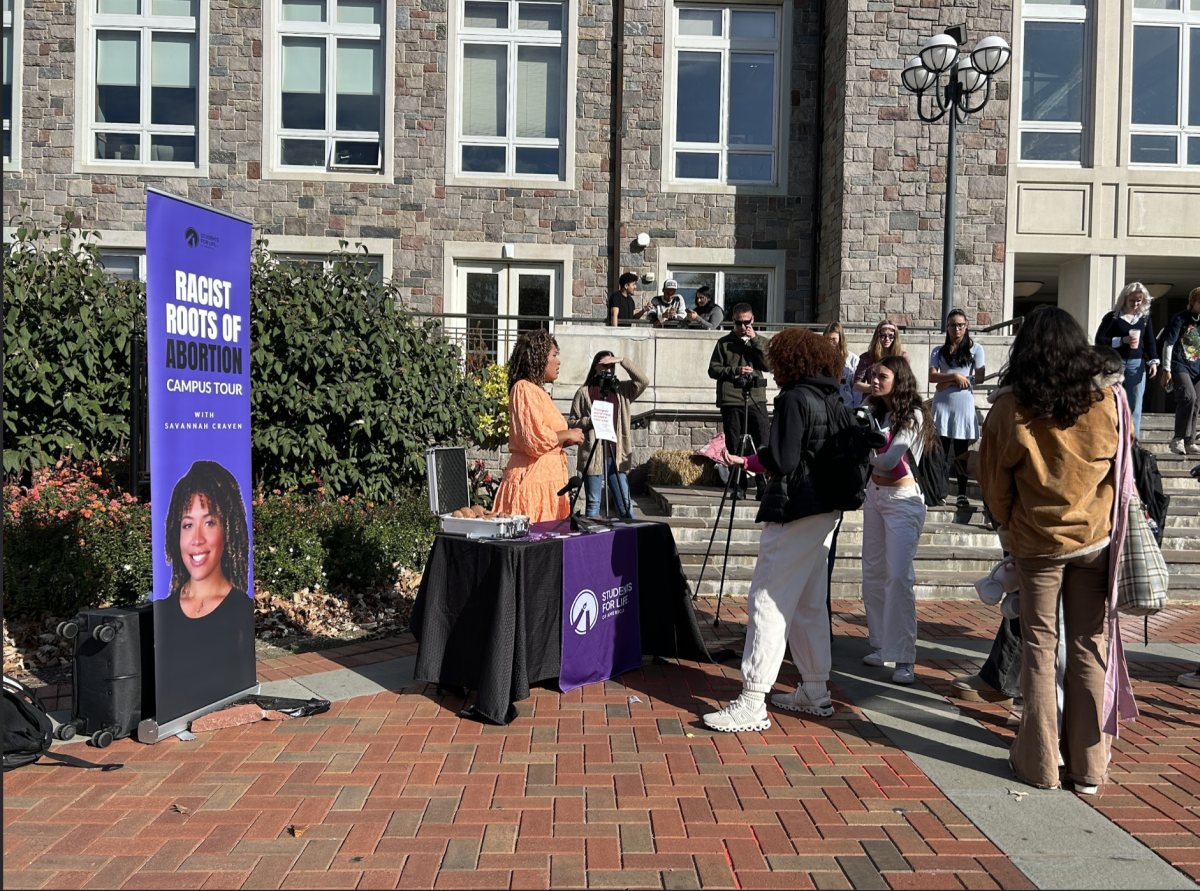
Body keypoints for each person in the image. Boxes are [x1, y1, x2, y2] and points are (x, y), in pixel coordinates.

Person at [977, 305, 1132, 794]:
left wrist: (1007, 524)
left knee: (1040, 652)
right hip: (1096, 537)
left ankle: (1040, 764)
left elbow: (993, 482)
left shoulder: (1011, 406)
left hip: (1039, 541)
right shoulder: (1108, 399)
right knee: (1090, 647)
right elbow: (1120, 465)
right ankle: (1089, 766)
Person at [700, 328, 845, 731]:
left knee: (767, 599)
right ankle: (815, 690)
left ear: (790, 360)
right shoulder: (830, 396)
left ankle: (753, 699)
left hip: (796, 508)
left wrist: (752, 458)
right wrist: (750, 462)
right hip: (826, 509)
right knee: (809, 604)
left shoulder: (795, 398)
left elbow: (783, 458)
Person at [860, 356, 934, 685]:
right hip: (874, 497)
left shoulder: (914, 414)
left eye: (882, 376)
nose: (874, 381)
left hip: (903, 501)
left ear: (898, 379)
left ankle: (904, 656)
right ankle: (881, 645)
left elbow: (891, 460)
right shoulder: (875, 411)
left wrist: (860, 449)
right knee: (872, 574)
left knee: (899, 578)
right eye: (872, 375)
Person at [493, 330, 585, 522]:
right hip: (532, 483)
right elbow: (533, 441)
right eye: (554, 355)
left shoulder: (538, 392)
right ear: (538, 358)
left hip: (549, 484)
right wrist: (567, 432)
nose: (558, 362)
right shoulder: (523, 388)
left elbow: (545, 440)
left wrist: (565, 440)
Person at [165, 460, 251, 618]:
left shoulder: (241, 611)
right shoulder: (162, 613)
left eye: (209, 523)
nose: (197, 539)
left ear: (228, 530)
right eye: (188, 525)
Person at [568, 351, 649, 519]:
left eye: (612, 366)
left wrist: (622, 360)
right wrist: (590, 421)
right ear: (595, 367)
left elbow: (643, 381)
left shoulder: (623, 390)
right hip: (593, 453)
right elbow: (571, 422)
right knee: (593, 503)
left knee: (625, 505)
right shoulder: (584, 392)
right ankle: (593, 542)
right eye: (605, 365)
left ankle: (630, 541)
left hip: (616, 454)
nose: (608, 370)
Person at [708, 303, 770, 500]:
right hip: (732, 400)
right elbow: (713, 370)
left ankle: (763, 486)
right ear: (733, 321)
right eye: (738, 323)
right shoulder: (724, 343)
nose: (743, 326)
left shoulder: (760, 341)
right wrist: (735, 371)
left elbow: (768, 365)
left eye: (746, 322)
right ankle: (739, 486)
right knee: (735, 444)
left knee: (762, 442)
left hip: (756, 398)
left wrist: (755, 341)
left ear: (753, 320)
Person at [929, 309, 986, 509]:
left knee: (961, 452)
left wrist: (948, 382)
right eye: (953, 325)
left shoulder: (976, 349)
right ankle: (940, 492)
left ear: (967, 326)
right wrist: (955, 378)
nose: (957, 329)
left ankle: (962, 494)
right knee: (941, 452)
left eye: (960, 325)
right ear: (947, 327)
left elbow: (978, 378)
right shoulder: (938, 350)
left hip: (963, 407)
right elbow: (932, 377)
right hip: (942, 407)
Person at [1095, 282, 1159, 438]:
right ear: (1124, 299)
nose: (1135, 304)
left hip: (1137, 363)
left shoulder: (1143, 318)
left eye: (1139, 300)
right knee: (1112, 401)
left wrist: (1153, 361)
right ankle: (1112, 437)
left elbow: (1150, 341)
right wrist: (1121, 340)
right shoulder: (1113, 317)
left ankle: (1132, 442)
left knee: (1135, 405)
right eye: (1132, 300)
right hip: (1115, 364)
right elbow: (1100, 340)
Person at [1160, 286, 1200, 455]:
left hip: (1197, 366)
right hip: (1179, 363)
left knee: (1196, 403)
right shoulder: (1180, 319)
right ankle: (1178, 438)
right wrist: (1166, 369)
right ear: (1193, 302)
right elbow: (1168, 344)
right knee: (1188, 396)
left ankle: (1190, 441)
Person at [853, 320, 909, 398]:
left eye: (891, 336)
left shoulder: (902, 357)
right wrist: (874, 388)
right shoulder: (867, 357)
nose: (887, 339)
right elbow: (857, 383)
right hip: (873, 399)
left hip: (895, 398)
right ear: (877, 336)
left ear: (895, 337)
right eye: (883, 335)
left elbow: (906, 381)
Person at [824, 321, 861, 409]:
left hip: (846, 406)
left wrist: (856, 410)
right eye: (828, 339)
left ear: (841, 339)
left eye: (833, 339)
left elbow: (857, 389)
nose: (830, 343)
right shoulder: (821, 358)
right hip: (827, 406)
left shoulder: (853, 359)